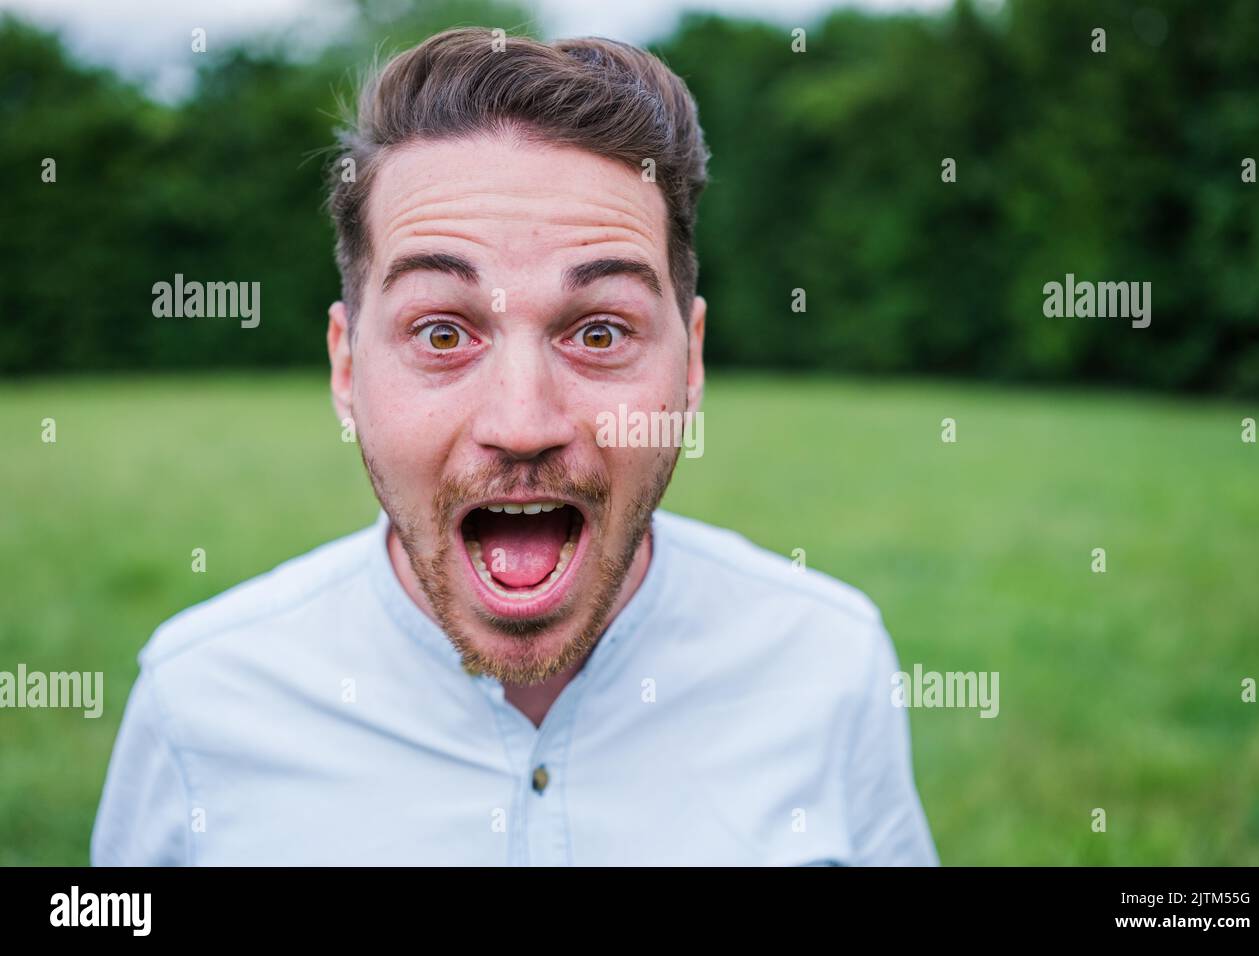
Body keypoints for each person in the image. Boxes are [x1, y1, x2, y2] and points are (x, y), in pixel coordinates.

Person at [91, 27, 938, 866]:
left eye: (600, 332)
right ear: (347, 369)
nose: (524, 424)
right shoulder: (198, 699)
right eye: (443, 332)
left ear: (692, 363)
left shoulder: (828, 661)